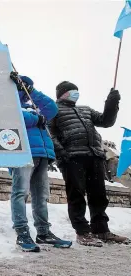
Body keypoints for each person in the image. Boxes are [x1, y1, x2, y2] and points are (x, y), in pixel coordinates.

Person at [49, 81, 130, 246]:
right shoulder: (54, 110)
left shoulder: (85, 109)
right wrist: (61, 153)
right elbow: (50, 134)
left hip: (94, 155)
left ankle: (101, 230)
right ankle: (82, 232)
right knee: (76, 195)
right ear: (62, 94)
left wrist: (112, 102)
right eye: (71, 91)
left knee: (99, 195)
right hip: (72, 158)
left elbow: (106, 121)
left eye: (76, 91)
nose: (75, 93)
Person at [9, 72, 72, 252]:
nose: (23, 89)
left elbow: (52, 108)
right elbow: (15, 118)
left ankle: (44, 232)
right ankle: (22, 233)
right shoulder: (9, 103)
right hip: (21, 153)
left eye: (25, 86)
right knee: (20, 192)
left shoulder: (33, 104)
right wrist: (37, 119)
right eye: (21, 85)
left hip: (42, 153)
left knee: (41, 196)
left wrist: (32, 91)